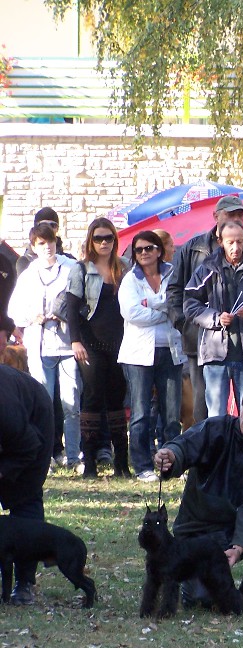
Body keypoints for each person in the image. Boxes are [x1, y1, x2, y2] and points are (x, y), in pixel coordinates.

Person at [153, 381, 243, 611]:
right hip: (197, 533)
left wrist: (239, 547)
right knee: (204, 601)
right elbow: (183, 446)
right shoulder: (215, 428)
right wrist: (170, 456)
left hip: (235, 529)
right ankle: (196, 587)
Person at [168, 195, 243, 424]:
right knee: (209, 413)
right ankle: (211, 448)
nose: (236, 246)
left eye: (239, 214)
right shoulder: (198, 255)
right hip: (209, 348)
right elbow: (184, 298)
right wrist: (203, 322)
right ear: (220, 236)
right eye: (230, 214)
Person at [9, 223, 82, 474]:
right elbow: (14, 310)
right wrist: (32, 317)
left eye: (50, 241)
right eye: (41, 243)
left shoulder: (71, 268)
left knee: (71, 402)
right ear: (34, 247)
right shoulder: (29, 275)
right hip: (39, 345)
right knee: (43, 403)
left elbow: (82, 301)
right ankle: (45, 457)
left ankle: (73, 455)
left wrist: (64, 314)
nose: (47, 247)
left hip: (67, 344)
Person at [64, 218, 131, 478]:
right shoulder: (80, 269)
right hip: (89, 343)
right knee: (92, 398)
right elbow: (71, 309)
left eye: (108, 238)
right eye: (98, 238)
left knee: (117, 398)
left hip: (120, 342)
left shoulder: (124, 267)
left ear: (115, 240)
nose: (104, 243)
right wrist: (75, 341)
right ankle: (90, 462)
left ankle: (121, 463)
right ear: (90, 241)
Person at [117, 231, 186, 481]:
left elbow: (179, 303)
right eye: (138, 250)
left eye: (149, 248)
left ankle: (172, 463)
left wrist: (151, 304)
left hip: (171, 350)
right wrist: (163, 311)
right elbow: (132, 313)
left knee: (171, 414)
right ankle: (143, 466)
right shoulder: (129, 280)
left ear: (159, 250)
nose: (144, 253)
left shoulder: (174, 274)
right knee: (140, 413)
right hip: (138, 354)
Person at [0, 364, 54, 605]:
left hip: (34, 423)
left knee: (25, 498)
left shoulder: (7, 412)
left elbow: (29, 446)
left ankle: (24, 582)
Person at [16, 207, 69, 275]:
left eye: (53, 225)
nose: (48, 228)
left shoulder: (69, 261)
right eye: (44, 225)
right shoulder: (25, 262)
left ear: (57, 229)